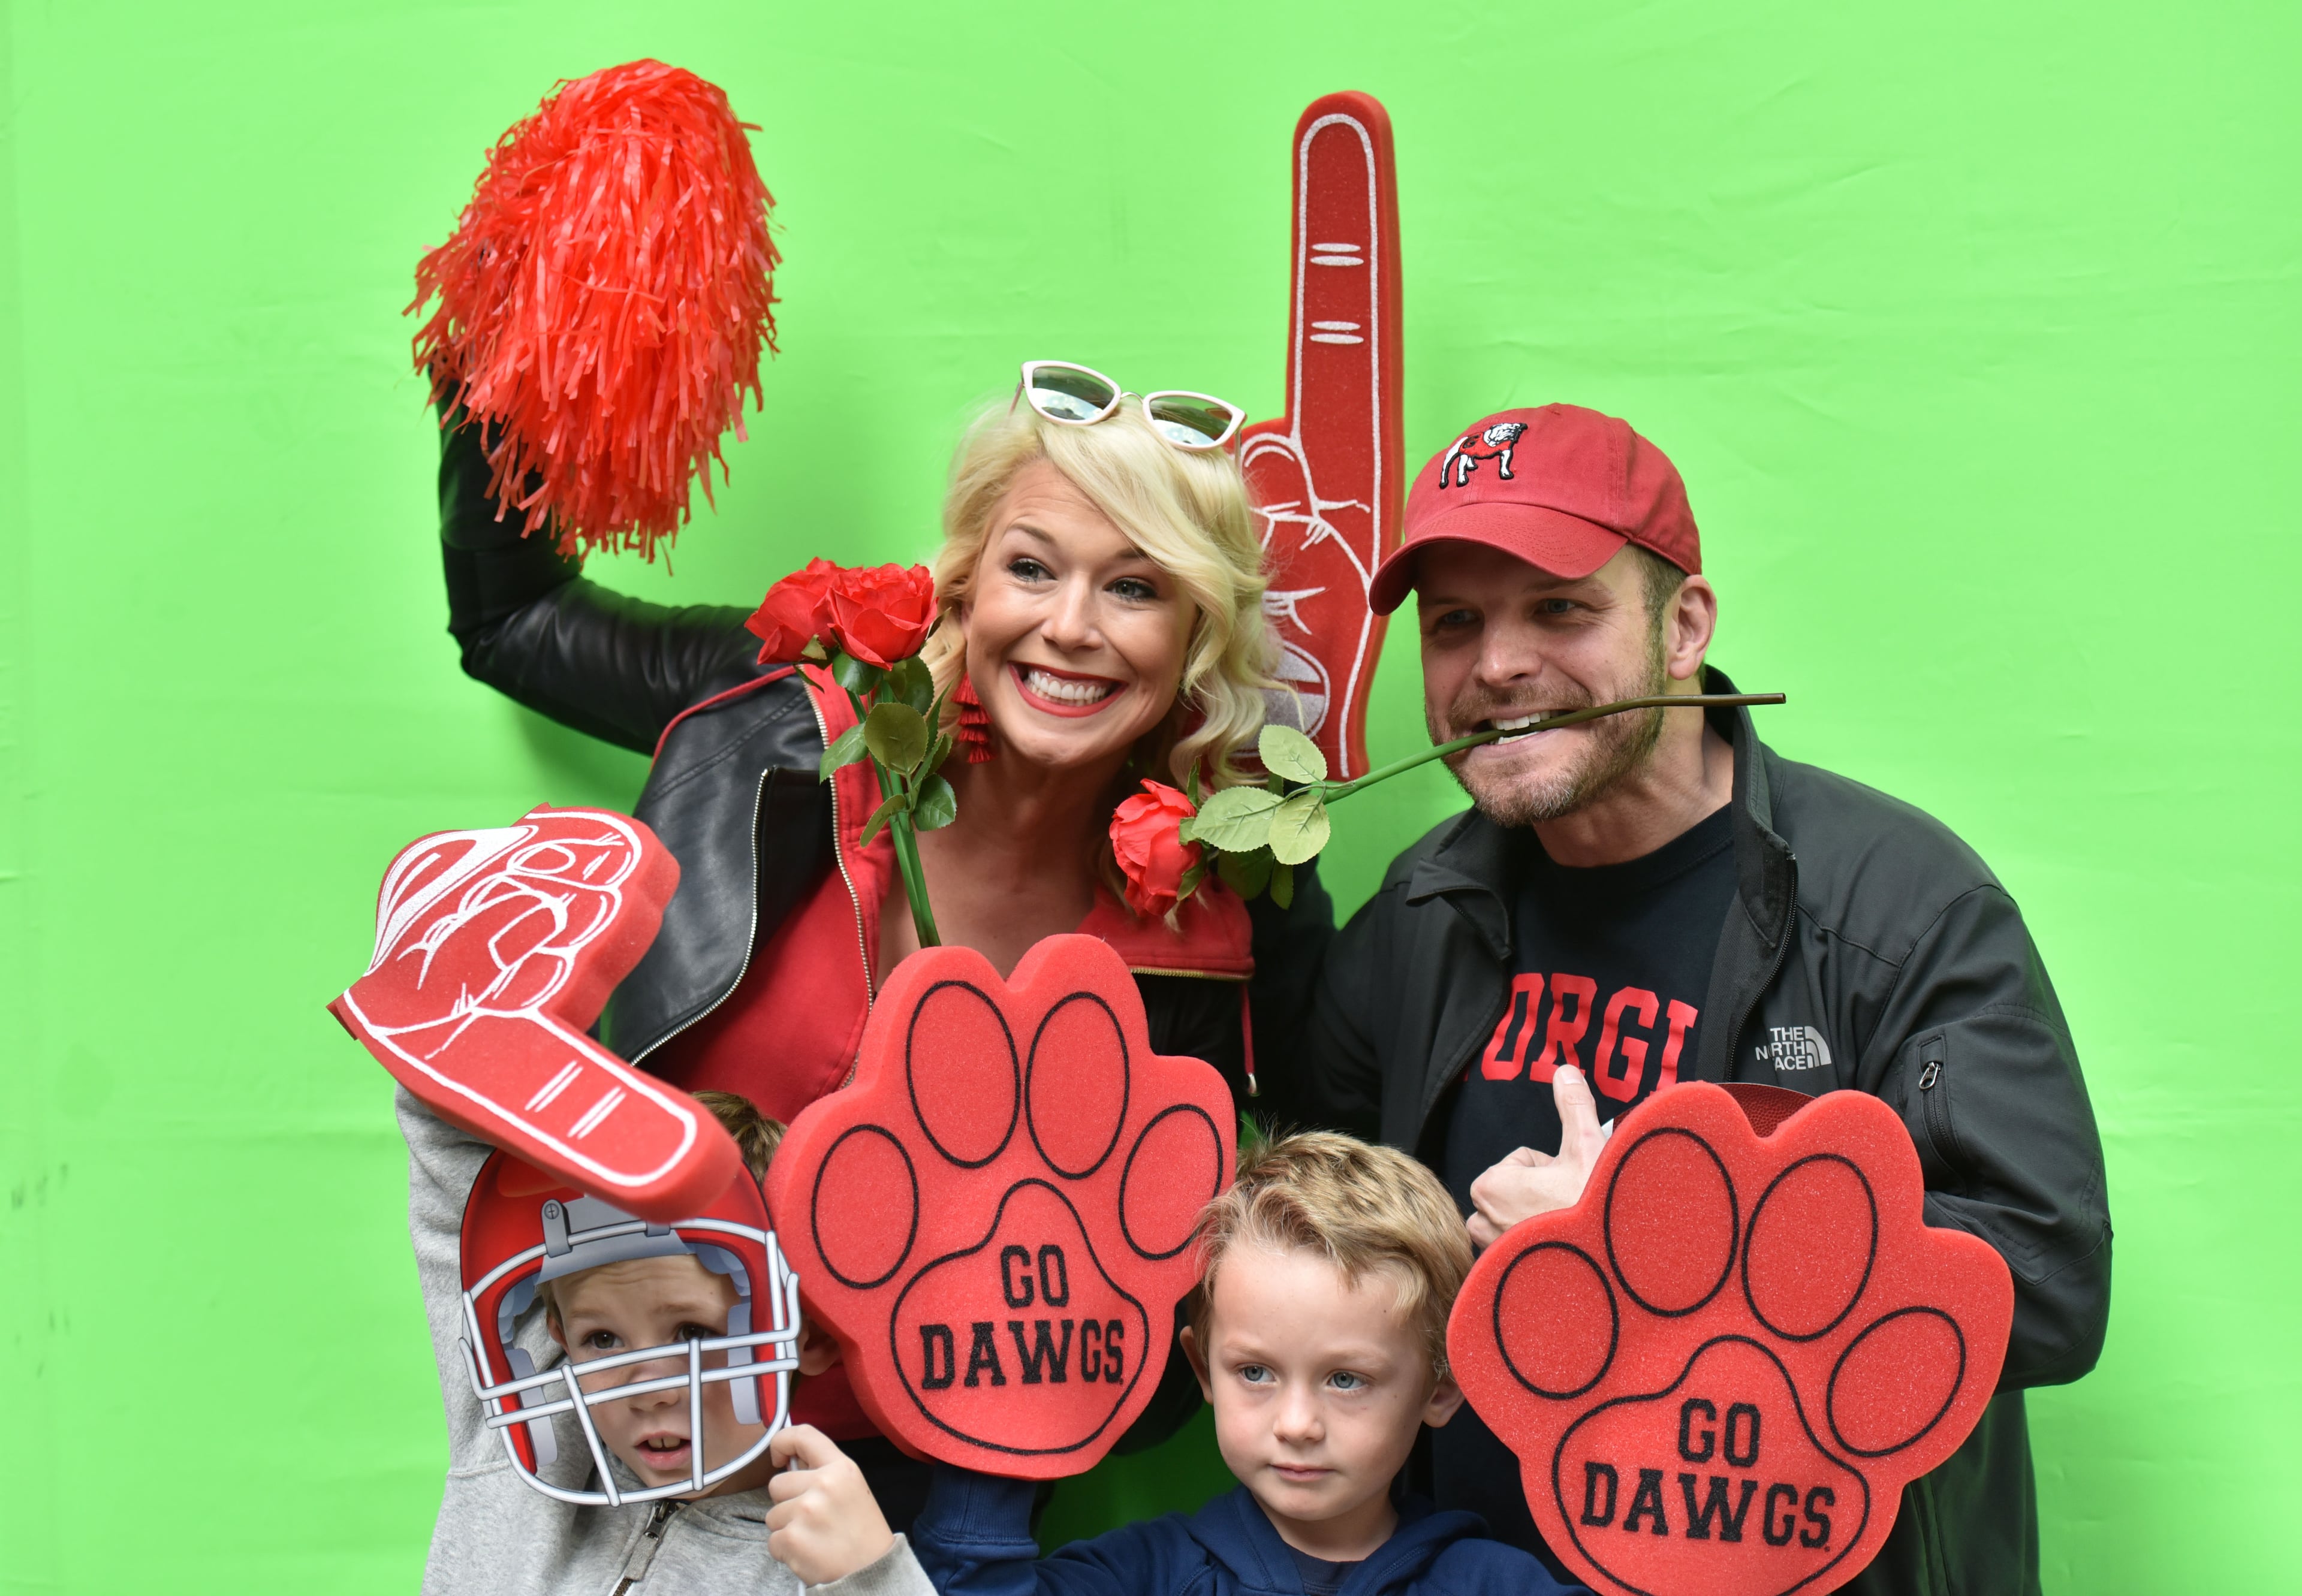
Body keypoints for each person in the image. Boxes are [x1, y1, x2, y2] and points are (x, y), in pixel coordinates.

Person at [432, 362, 1333, 1505]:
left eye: (1135, 588)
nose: (1070, 627)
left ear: (1197, 628)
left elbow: (1294, 1204)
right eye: (1032, 567)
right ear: (966, 582)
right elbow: (515, 623)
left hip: (938, 1506)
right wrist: (507, 351)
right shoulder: (789, 723)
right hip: (632, 1434)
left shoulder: (1233, 893)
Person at [1294, 404, 2111, 1595]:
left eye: (1559, 608)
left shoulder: (1896, 907)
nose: (1497, 664)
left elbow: (2044, 1285)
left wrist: (1643, 1239)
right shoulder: (1422, 911)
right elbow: (1304, 1215)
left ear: (1684, 625)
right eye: (1455, 621)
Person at [907, 1133, 1587, 1596]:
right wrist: (996, 1407)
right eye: (1255, 1372)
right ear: (1203, 1368)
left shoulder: (1495, 1583)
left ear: (1442, 1387)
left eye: (1345, 1378)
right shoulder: (1143, 1575)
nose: (1296, 1424)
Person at [401, 1082, 930, 1595]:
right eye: (602, 1338)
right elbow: (443, 1104)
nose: (649, 1391)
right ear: (557, 1334)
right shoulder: (525, 1423)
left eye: (693, 1332)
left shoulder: (827, 1561)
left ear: (808, 1334)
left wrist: (870, 1581)